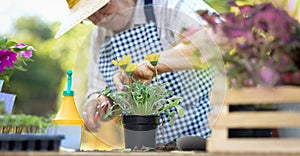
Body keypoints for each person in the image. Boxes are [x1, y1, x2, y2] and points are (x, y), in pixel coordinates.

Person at [56, 0, 218, 146]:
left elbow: (218, 38)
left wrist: (155, 64)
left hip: (207, 137)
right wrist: (98, 103)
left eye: (103, 7)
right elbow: (98, 89)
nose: (100, 19)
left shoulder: (170, 5)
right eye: (90, 16)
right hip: (148, 147)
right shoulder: (100, 37)